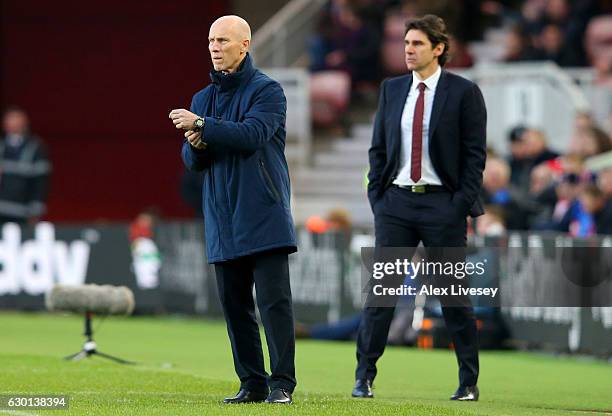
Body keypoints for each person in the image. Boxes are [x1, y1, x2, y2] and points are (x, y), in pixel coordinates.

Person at [353, 14, 486, 402]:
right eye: (406, 44)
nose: (408, 50)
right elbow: (378, 149)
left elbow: (474, 156)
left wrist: (458, 205)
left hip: (442, 205)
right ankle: (364, 377)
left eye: (417, 44)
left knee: (453, 297)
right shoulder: (392, 89)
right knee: (382, 293)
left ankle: (468, 382)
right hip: (395, 203)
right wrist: (378, 198)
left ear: (439, 49)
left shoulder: (463, 92)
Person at [169, 15, 297, 405]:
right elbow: (192, 161)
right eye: (211, 40)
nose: (214, 47)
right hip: (222, 217)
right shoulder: (201, 98)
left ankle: (282, 384)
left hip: (263, 211)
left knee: (274, 305)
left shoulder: (268, 91)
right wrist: (198, 143)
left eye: (223, 40)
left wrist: (204, 128)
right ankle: (252, 383)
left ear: (245, 45)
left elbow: (253, 135)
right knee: (235, 306)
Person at [0, 106, 51, 224]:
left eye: (15, 118)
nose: (12, 122)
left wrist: (36, 209)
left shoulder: (36, 147)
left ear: (24, 122)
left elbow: (40, 182)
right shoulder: (1, 145)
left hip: (22, 211)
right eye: (9, 119)